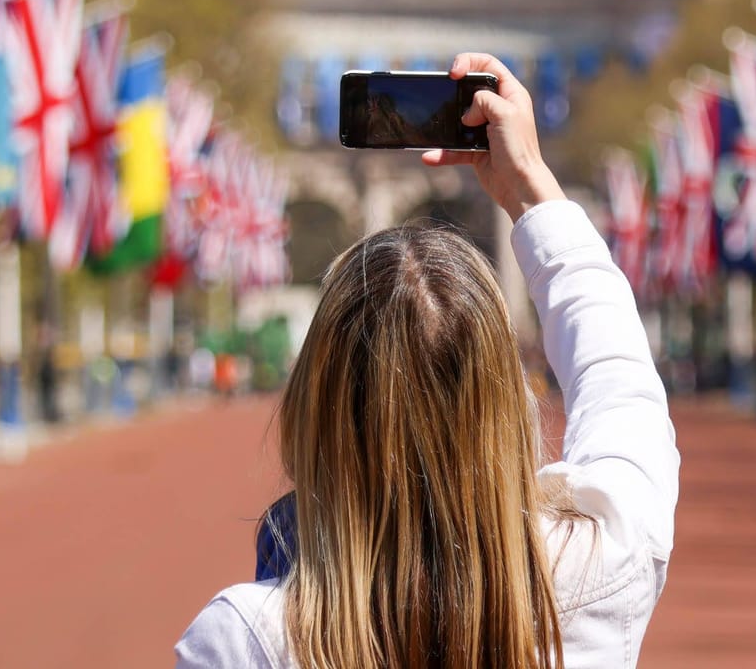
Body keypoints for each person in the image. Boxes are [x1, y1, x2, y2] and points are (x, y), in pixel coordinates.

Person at [176, 54, 679, 668]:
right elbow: (619, 378)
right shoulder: (606, 563)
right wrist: (531, 188)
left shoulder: (245, 637)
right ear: (509, 397)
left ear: (320, 399)